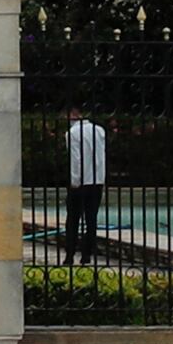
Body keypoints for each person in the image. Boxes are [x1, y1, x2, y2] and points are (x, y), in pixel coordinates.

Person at [63, 109, 109, 256]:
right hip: (96, 180)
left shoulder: (72, 133)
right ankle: (87, 254)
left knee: (73, 219)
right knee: (91, 218)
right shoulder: (99, 130)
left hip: (80, 181)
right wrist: (102, 178)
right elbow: (101, 156)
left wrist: (75, 181)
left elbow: (75, 159)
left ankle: (70, 254)